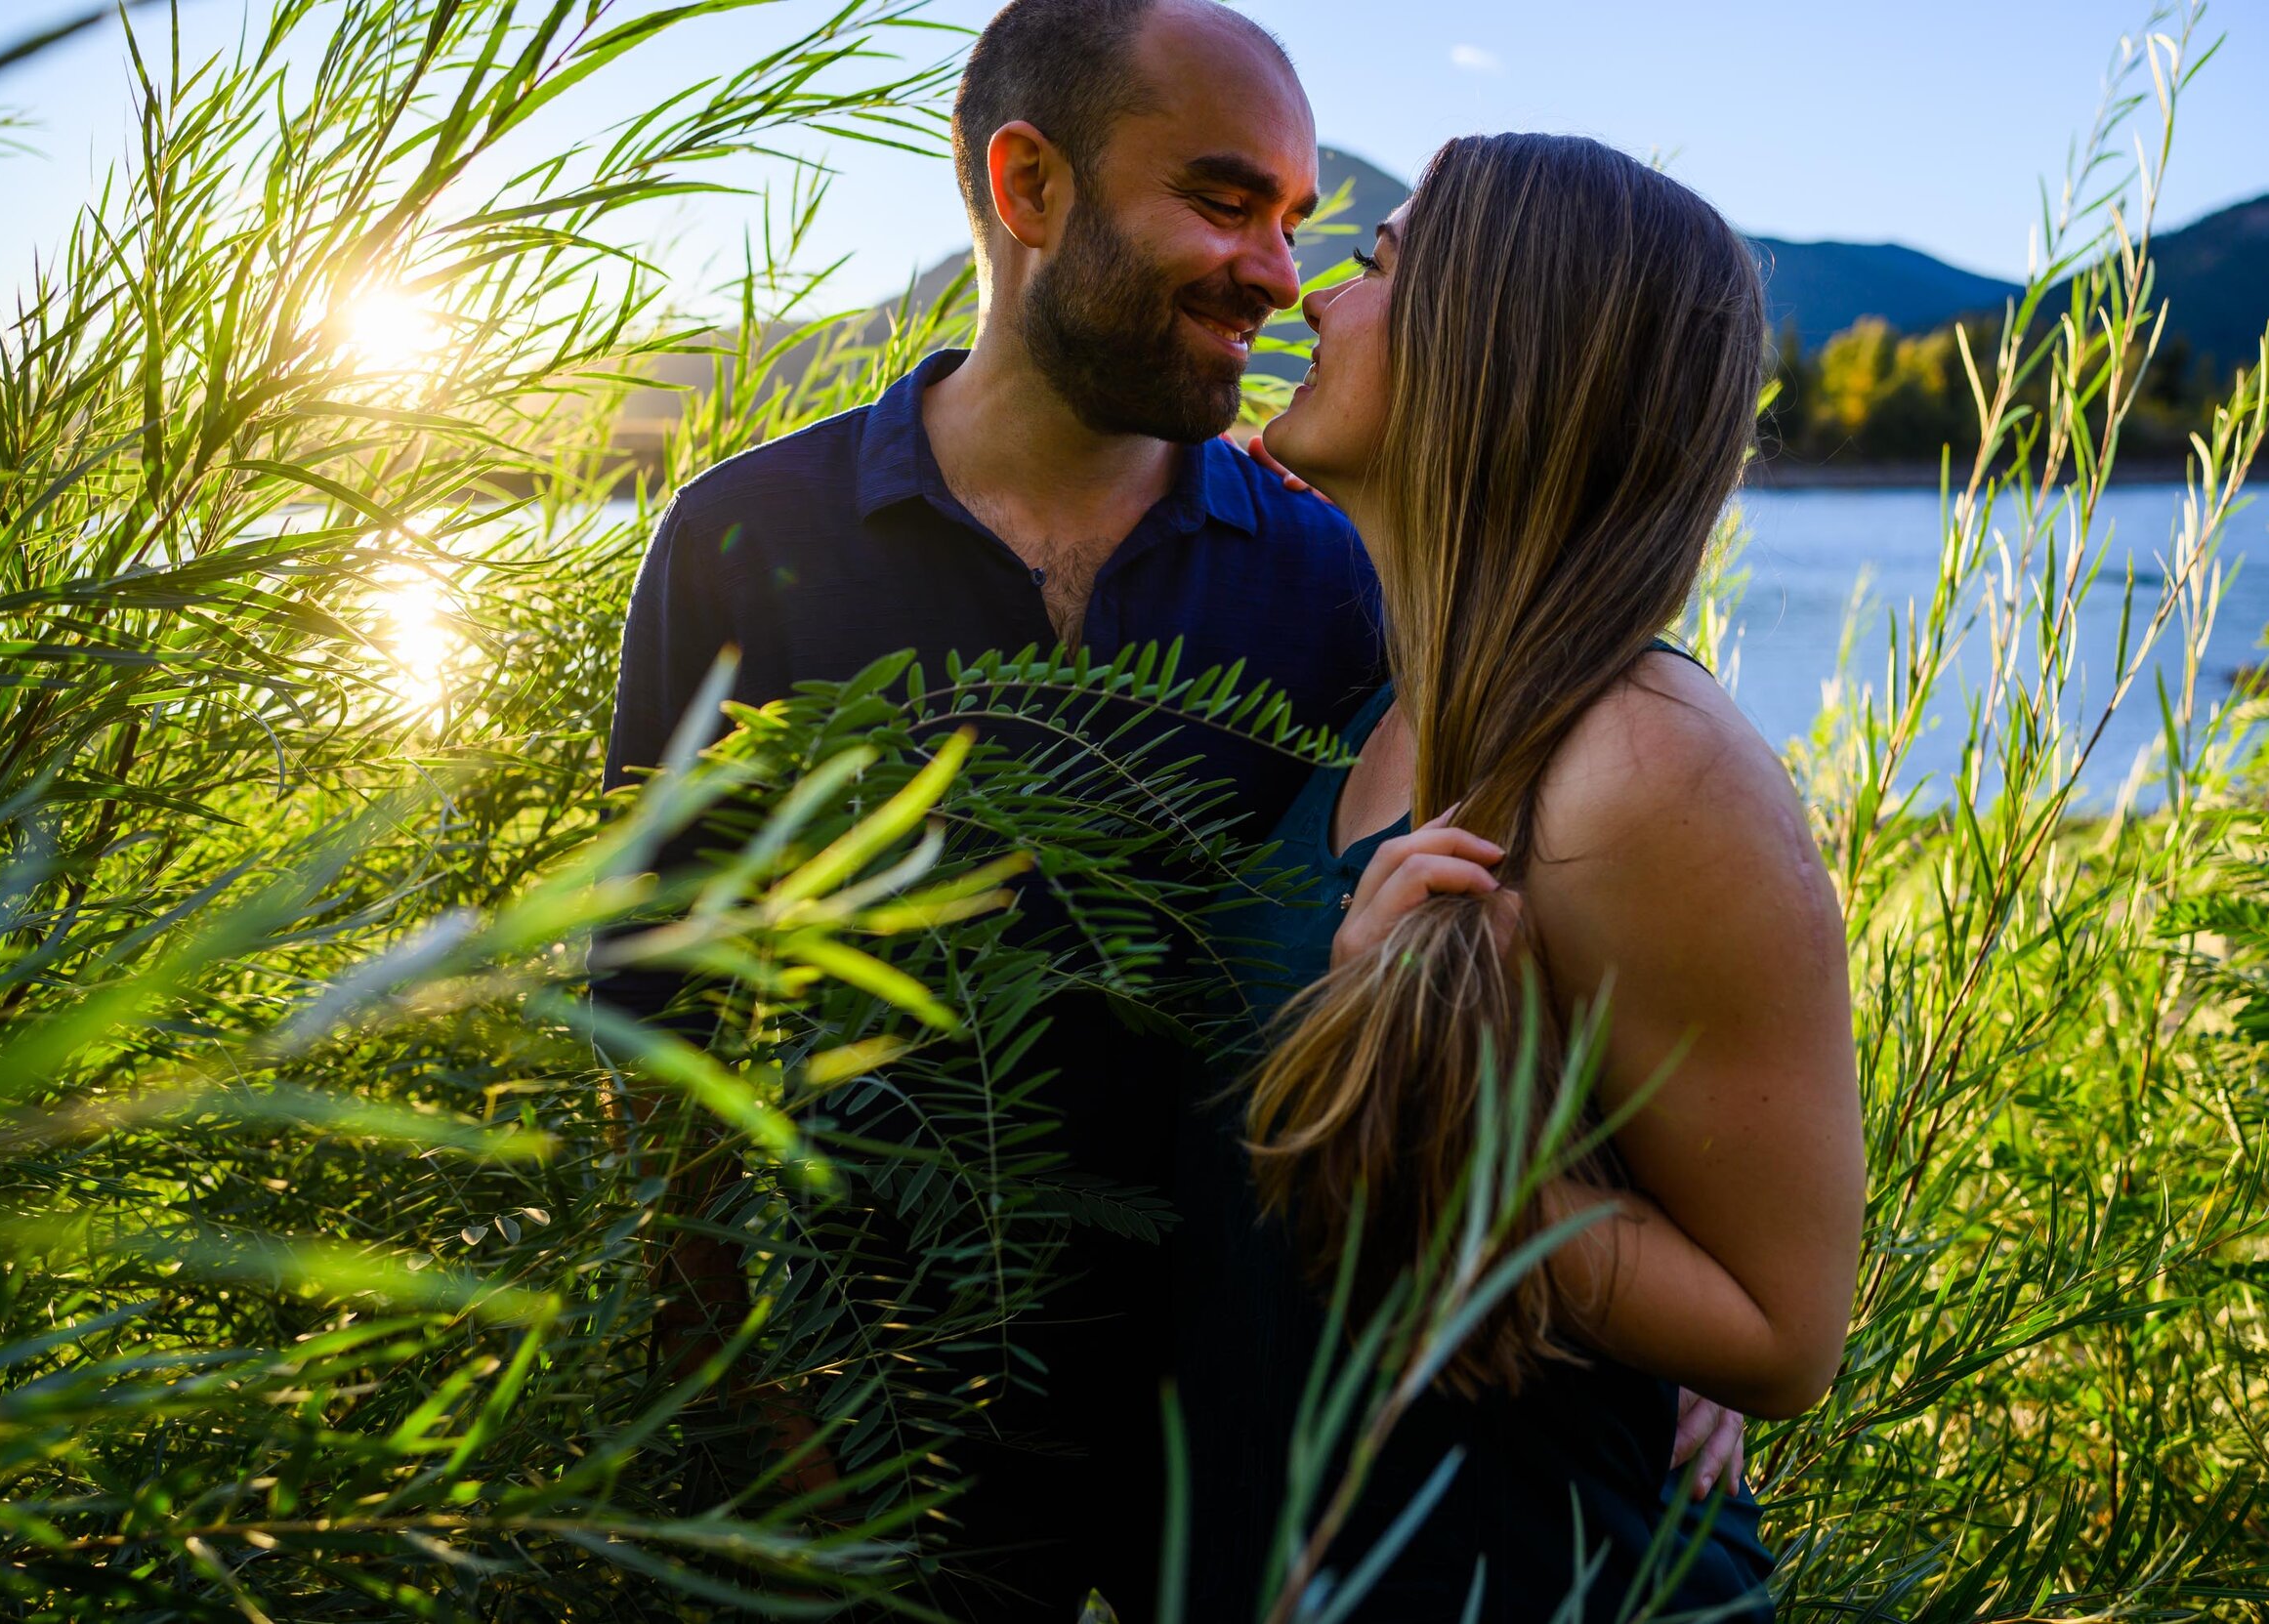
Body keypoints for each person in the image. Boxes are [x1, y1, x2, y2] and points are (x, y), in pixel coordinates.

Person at [599, 1, 1385, 1615]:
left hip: (1243, 1472)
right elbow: (654, 1029)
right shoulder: (741, 540)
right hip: (857, 1466)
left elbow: (1518, 932)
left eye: (1294, 223)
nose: (1280, 277)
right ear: (1029, 185)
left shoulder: (1330, 579)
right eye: (1227, 202)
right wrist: (769, 1448)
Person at [1180, 133, 1866, 1622]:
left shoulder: (1641, 767)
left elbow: (1782, 1330)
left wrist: (1456, 1147)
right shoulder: (1385, 695)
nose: (1315, 302)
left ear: (1495, 343)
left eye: (1372, 269)